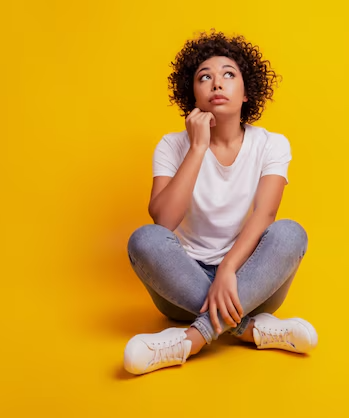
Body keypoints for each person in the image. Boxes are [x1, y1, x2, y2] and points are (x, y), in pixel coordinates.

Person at [124, 30, 318, 375]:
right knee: (143, 239)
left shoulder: (271, 144)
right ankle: (253, 330)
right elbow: (163, 221)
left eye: (229, 75)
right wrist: (197, 148)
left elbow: (266, 213)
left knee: (290, 232)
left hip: (251, 282)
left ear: (246, 93)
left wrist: (228, 269)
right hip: (182, 287)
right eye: (205, 77)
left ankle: (190, 340)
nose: (217, 84)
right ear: (192, 94)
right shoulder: (172, 146)